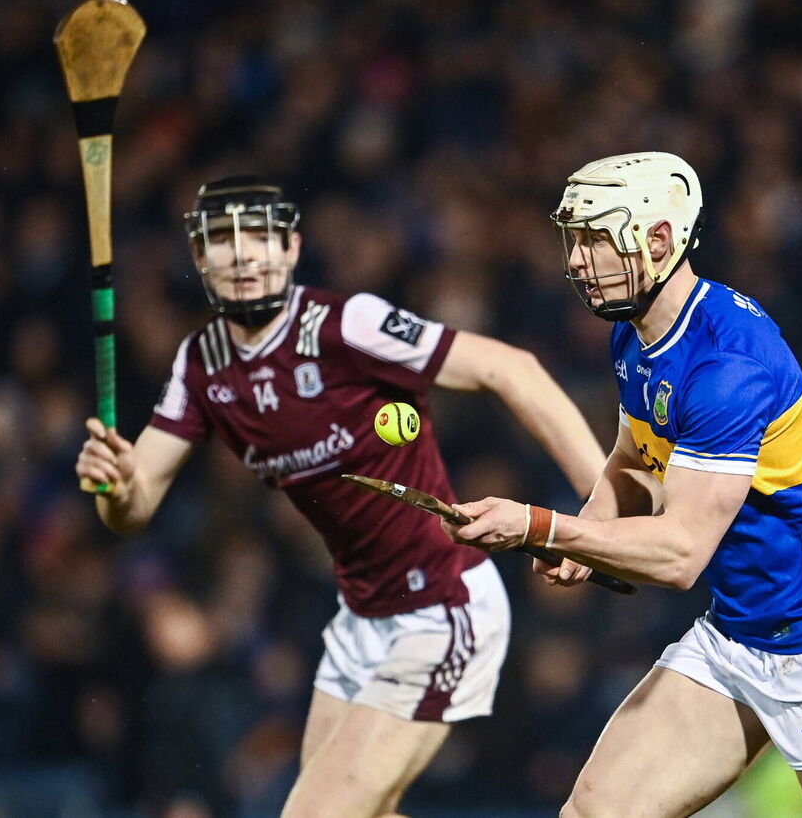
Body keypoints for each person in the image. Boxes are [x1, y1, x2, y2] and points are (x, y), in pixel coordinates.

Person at [74, 176, 605, 818]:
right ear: (198, 257)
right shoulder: (201, 364)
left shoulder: (348, 325)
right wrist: (113, 485)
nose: (242, 255)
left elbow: (510, 368)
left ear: (292, 248)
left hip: (443, 606)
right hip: (360, 617)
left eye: (259, 237)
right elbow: (132, 507)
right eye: (221, 240)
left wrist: (600, 512)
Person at [443, 153, 802, 817]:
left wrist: (541, 526)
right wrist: (591, 529)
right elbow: (633, 462)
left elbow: (679, 555)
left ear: (660, 239)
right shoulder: (634, 336)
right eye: (573, 240)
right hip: (737, 634)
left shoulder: (727, 365)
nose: (577, 261)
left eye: (596, 239)